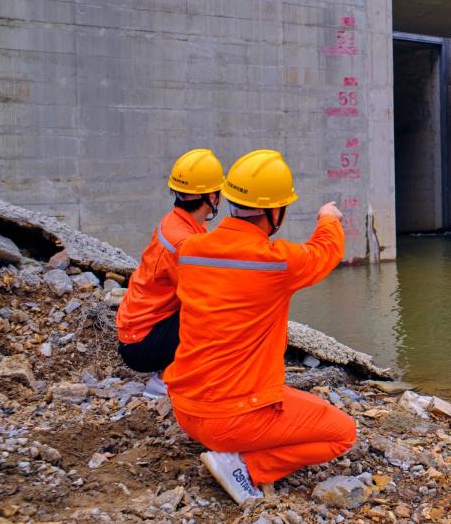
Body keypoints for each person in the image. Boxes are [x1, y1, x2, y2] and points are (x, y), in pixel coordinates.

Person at [163, 149, 353, 504]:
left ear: (228, 200)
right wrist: (328, 218)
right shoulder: (276, 262)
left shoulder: (189, 250)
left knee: (293, 401)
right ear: (274, 212)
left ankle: (233, 449)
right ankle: (246, 467)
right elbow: (325, 252)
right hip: (231, 419)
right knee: (342, 433)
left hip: (186, 408)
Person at [116, 149, 225, 396]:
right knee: (217, 314)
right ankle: (168, 379)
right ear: (212, 196)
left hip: (137, 332)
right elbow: (205, 298)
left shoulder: (177, 222)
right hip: (141, 346)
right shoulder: (182, 243)